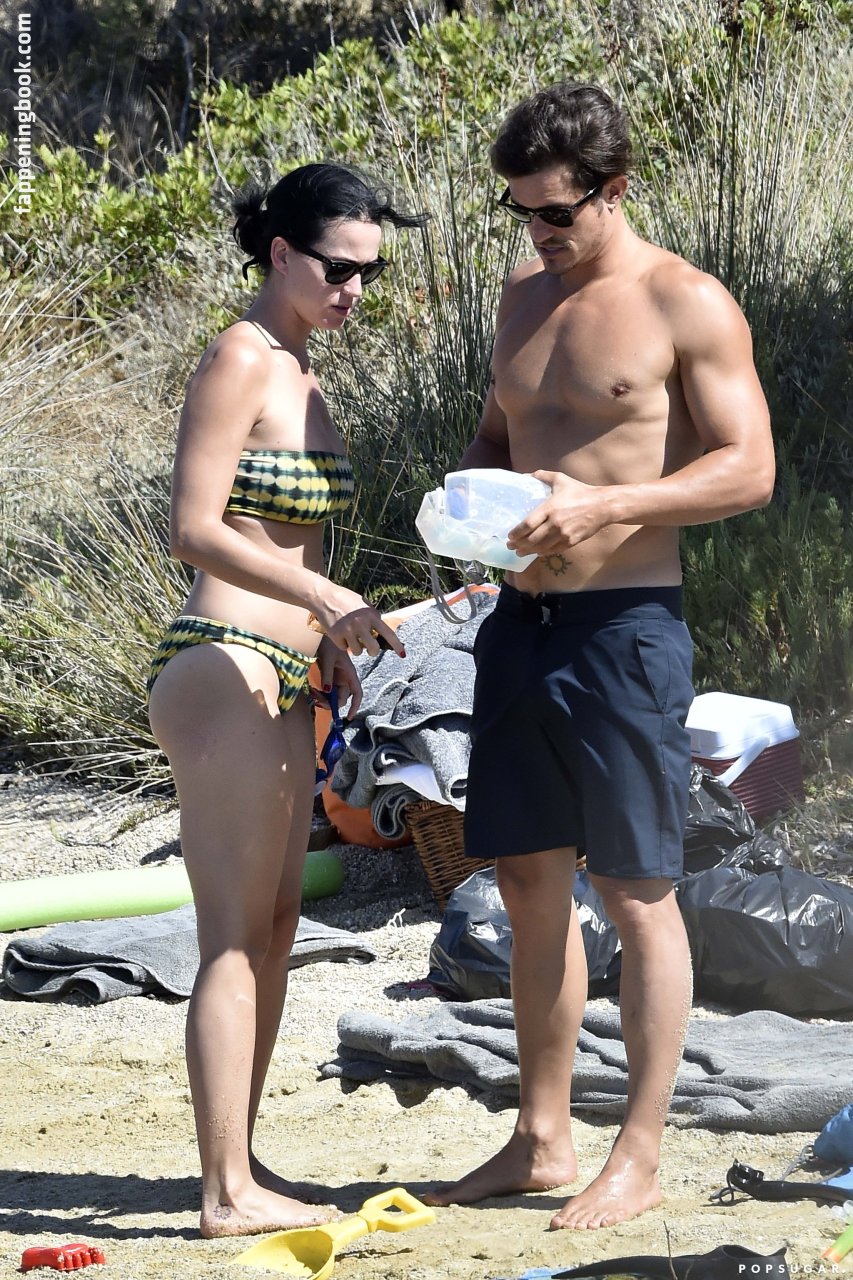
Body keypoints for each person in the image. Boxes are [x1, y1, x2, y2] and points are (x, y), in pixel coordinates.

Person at [423, 83, 775, 1229]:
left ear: (614, 189)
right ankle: (541, 1136)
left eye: (557, 211)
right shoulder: (521, 296)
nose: (537, 231)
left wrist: (604, 504)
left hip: (625, 626)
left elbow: (748, 467)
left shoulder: (684, 299)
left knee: (633, 891)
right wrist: (473, 517)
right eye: (519, 209)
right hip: (517, 626)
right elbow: (497, 434)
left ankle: (639, 1152)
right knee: (528, 884)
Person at [146, 163, 424, 1238]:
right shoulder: (241, 357)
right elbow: (195, 527)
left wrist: (328, 641)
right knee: (230, 934)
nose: (354, 289)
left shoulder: (301, 369)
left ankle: (240, 1161)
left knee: (273, 924)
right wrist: (320, 596)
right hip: (223, 663)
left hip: (286, 670)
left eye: (368, 273)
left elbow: (289, 541)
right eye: (337, 268)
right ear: (278, 253)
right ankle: (224, 1192)